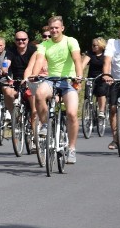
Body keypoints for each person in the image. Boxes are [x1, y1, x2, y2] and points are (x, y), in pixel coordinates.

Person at [24, 16, 83, 164]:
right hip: (51, 80)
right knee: (39, 93)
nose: (54, 30)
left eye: (57, 28)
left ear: (62, 28)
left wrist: (79, 76)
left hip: (68, 81)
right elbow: (38, 61)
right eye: (52, 28)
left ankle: (72, 149)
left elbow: (77, 59)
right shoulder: (45, 45)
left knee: (71, 114)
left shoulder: (71, 41)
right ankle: (44, 124)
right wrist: (34, 75)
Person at [0, 30, 38, 132]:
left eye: (23, 39)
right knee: (6, 90)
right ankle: (13, 116)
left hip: (31, 80)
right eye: (18, 39)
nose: (21, 41)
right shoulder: (11, 50)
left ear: (28, 40)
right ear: (15, 41)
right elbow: (6, 61)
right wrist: (4, 68)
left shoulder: (33, 49)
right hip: (16, 80)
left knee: (34, 108)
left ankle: (36, 133)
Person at [81, 37, 108, 119]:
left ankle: (101, 111)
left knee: (101, 93)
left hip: (102, 77)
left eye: (94, 45)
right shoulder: (90, 54)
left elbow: (108, 65)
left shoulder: (105, 54)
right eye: (92, 45)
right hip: (91, 77)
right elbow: (83, 65)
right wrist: (79, 74)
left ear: (100, 46)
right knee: (87, 96)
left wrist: (106, 76)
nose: (92, 47)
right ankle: (88, 111)